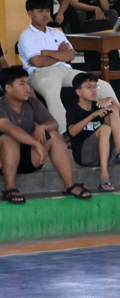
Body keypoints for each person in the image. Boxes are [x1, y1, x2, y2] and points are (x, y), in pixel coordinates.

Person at [17, 0, 120, 139]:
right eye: (40, 11)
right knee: (51, 88)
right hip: (40, 73)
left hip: (65, 70)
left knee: (101, 85)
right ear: (30, 13)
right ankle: (63, 133)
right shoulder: (26, 36)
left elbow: (70, 55)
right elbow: (37, 61)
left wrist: (48, 53)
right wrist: (60, 54)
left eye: (47, 10)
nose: (45, 14)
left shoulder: (56, 32)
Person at [0, 65, 86, 202]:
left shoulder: (32, 102)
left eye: (27, 83)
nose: (27, 88)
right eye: (22, 84)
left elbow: (54, 123)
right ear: (8, 88)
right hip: (3, 160)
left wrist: (42, 127)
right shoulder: (1, 105)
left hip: (28, 158)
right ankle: (10, 188)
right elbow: (8, 127)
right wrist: (36, 143)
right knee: (9, 139)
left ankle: (69, 185)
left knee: (54, 134)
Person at [65, 71, 120, 193]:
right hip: (84, 156)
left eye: (95, 86)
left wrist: (112, 100)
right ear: (78, 91)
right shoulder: (73, 111)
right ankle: (104, 176)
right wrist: (92, 116)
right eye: (89, 87)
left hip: (104, 154)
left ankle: (118, 150)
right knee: (105, 128)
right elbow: (72, 132)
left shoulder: (98, 106)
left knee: (113, 109)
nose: (94, 90)